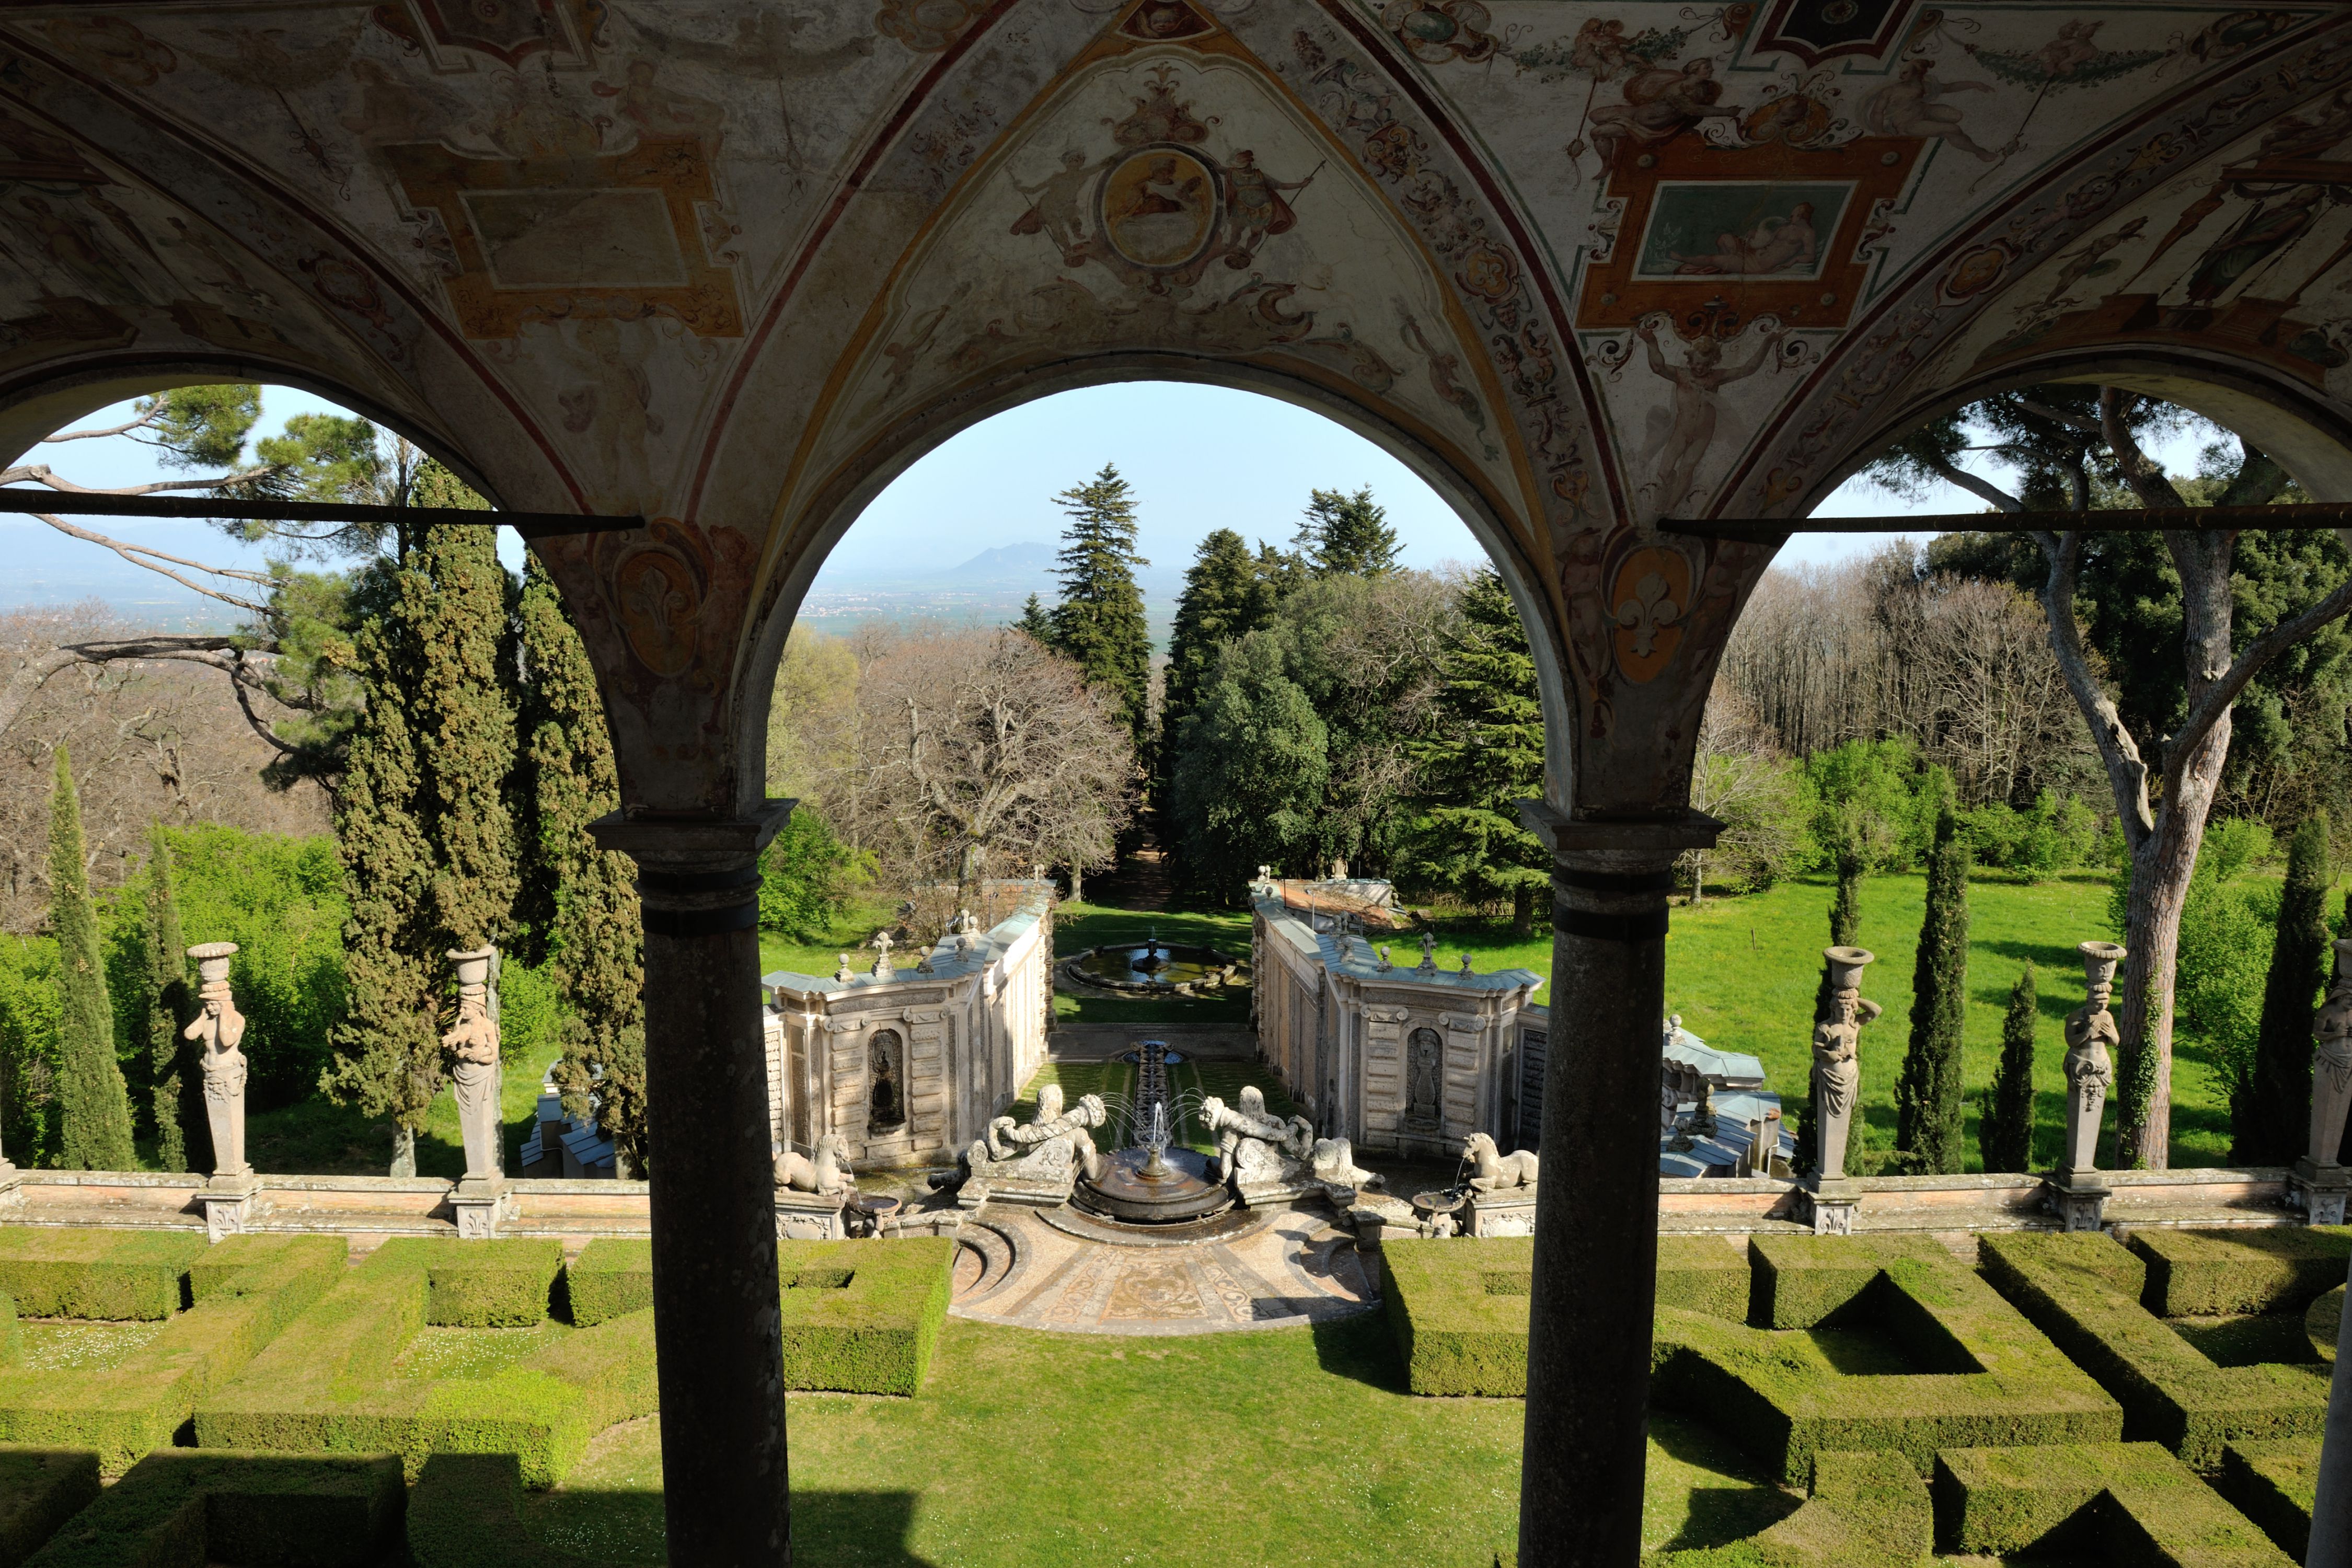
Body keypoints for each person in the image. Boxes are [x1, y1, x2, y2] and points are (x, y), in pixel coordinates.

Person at [1671, 201, 1817, 275]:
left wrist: (1795, 260)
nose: (1791, 215)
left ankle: (1684, 259)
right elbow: (1766, 242)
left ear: (1803, 216)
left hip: (1759, 265)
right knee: (1724, 239)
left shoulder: (1808, 233)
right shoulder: (1786, 227)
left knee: (1712, 260)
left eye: (1795, 213)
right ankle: (1727, 266)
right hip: (1753, 252)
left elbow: (1810, 256)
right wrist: (1755, 235)